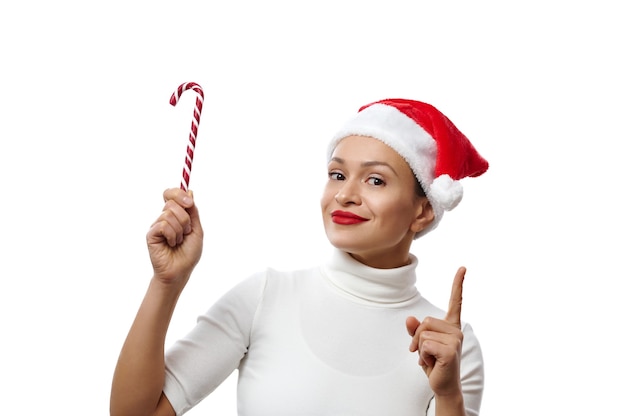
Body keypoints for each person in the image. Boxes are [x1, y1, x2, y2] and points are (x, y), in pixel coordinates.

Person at [110, 98, 489, 416]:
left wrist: (448, 396)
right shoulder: (265, 298)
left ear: (423, 211)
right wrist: (166, 283)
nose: (345, 195)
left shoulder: (450, 347)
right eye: (337, 175)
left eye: (375, 180)